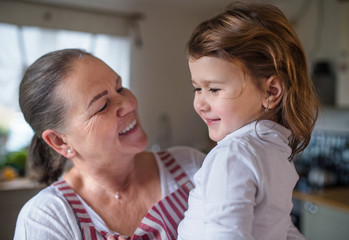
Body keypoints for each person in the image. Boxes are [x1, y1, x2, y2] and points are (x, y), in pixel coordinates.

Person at [13, 48, 205, 240]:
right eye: (102, 106)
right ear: (60, 141)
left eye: (120, 88)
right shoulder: (46, 220)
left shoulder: (192, 167)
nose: (129, 104)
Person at [177, 2, 318, 240]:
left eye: (214, 89)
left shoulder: (233, 155)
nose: (200, 103)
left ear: (271, 92)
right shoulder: (276, 151)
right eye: (197, 89)